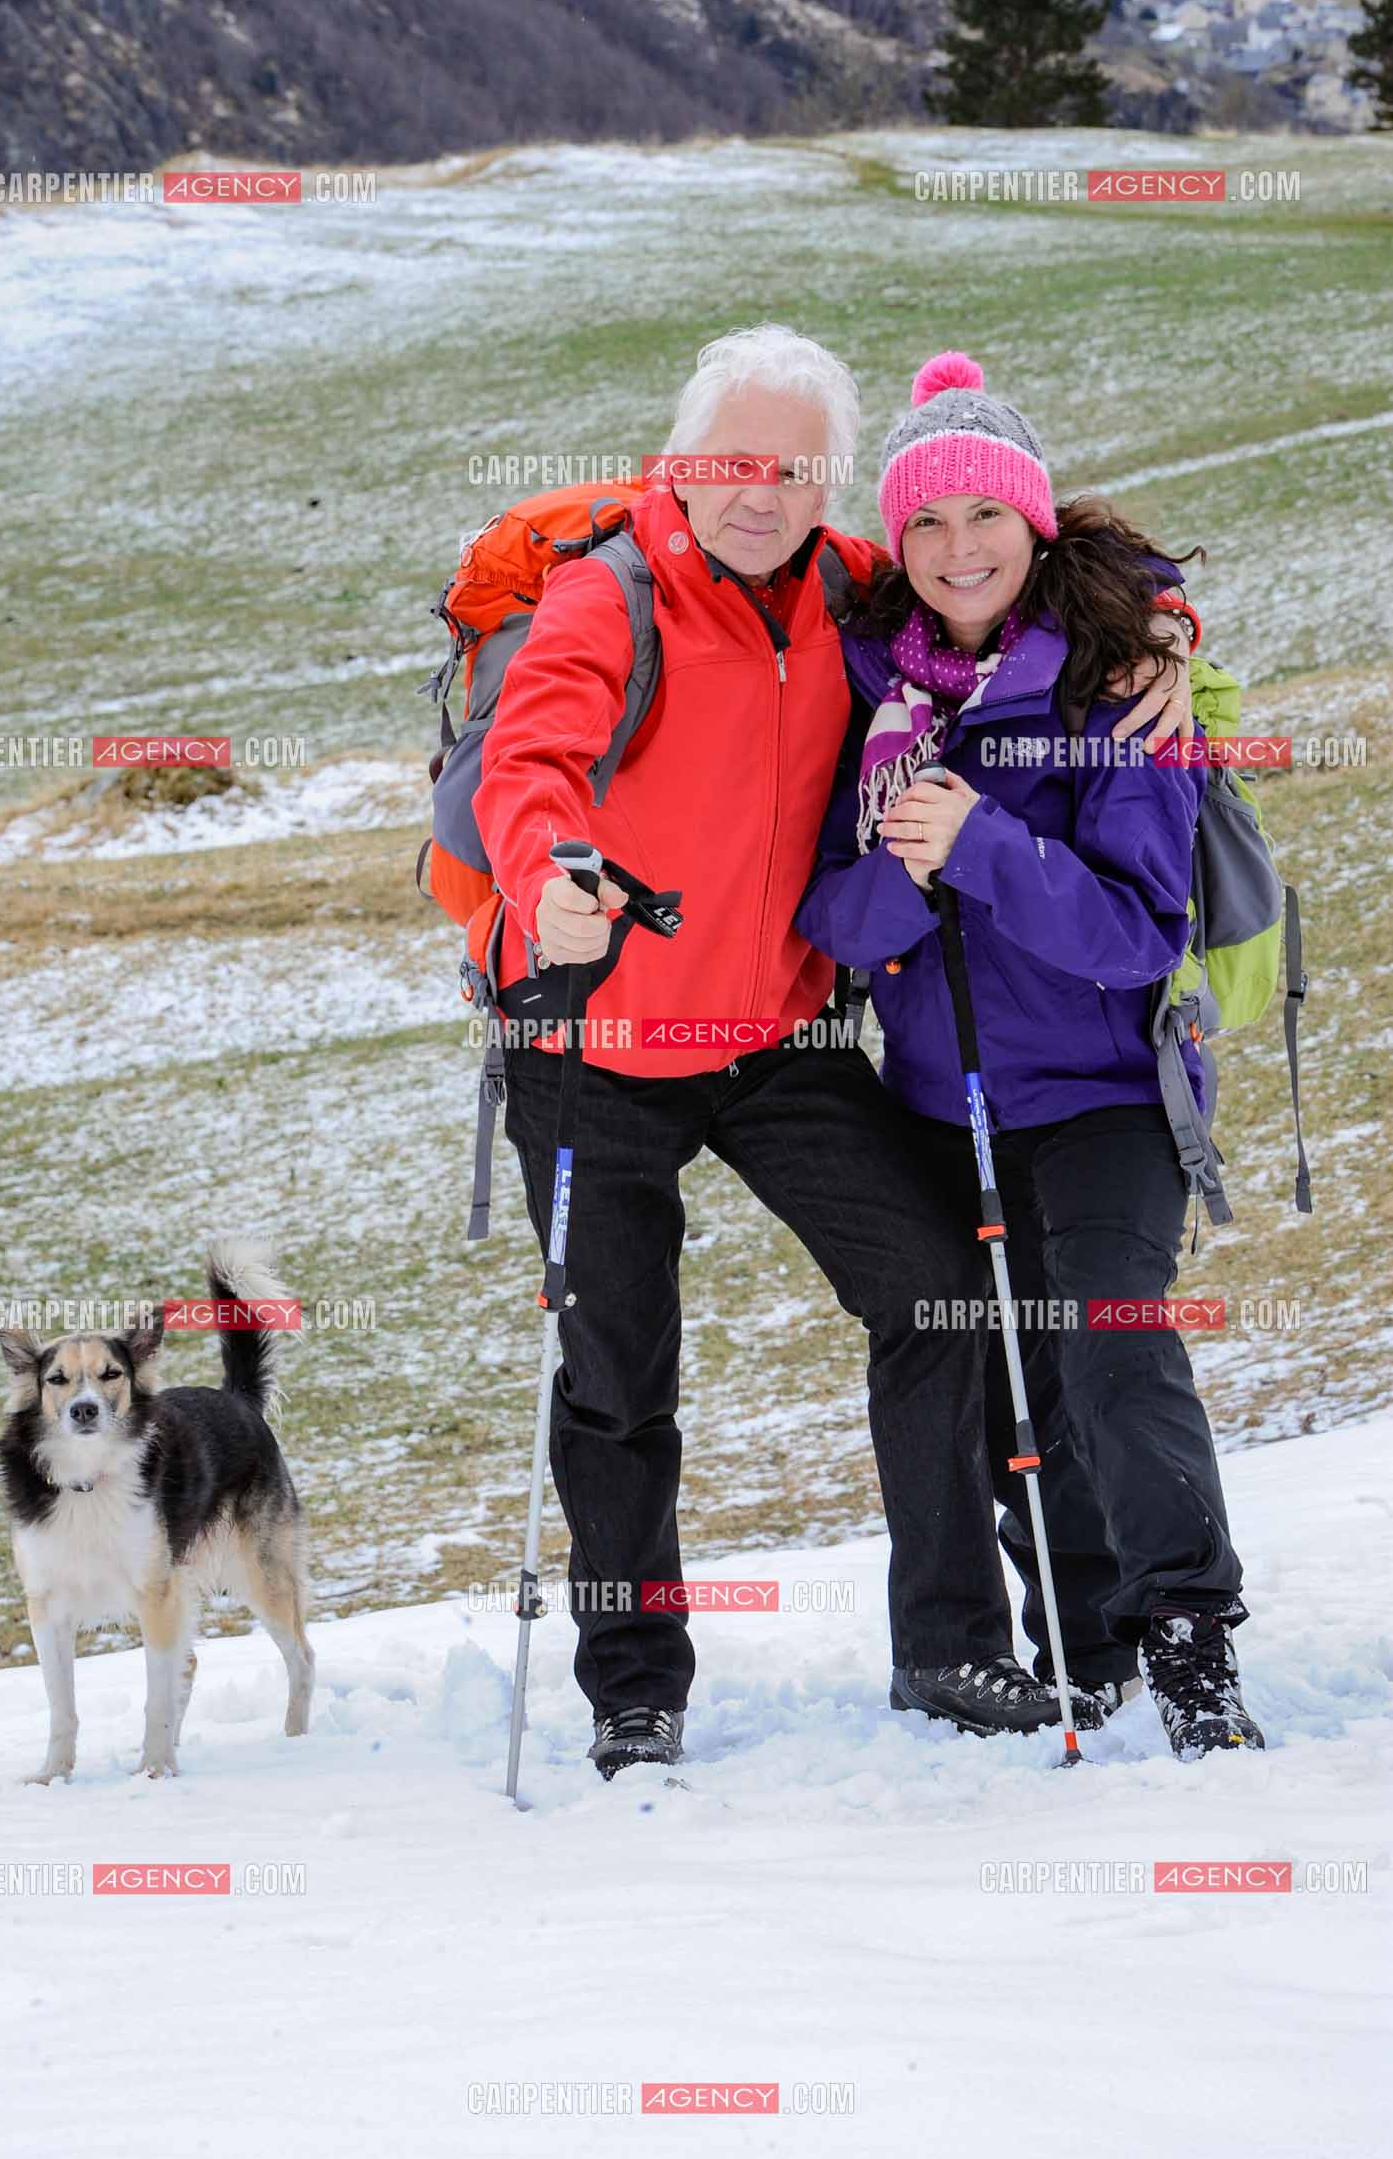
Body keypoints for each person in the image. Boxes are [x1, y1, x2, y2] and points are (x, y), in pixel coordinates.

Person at [472, 326, 1194, 1776]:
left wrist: (1166, 626)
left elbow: (1015, 562)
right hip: (593, 1029)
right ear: (681, 463)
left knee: (939, 1295)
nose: (766, 492)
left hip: (775, 1040)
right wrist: (547, 875)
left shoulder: (851, 585)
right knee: (618, 1371)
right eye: (738, 462)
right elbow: (531, 761)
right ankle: (635, 1685)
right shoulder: (608, 596)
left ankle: (949, 1644)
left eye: (800, 469)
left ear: (833, 484)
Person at [796, 350, 1263, 1760]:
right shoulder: (867, 690)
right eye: (928, 521)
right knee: (1011, 1389)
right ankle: (1086, 1643)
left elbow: (1137, 933)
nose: (959, 548)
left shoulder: (1115, 686)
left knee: (1113, 1348)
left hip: (1108, 1096)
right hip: (939, 1107)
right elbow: (833, 921)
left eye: (986, 514)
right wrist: (907, 866)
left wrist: (982, 843)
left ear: (1035, 521)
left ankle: (1190, 1644)